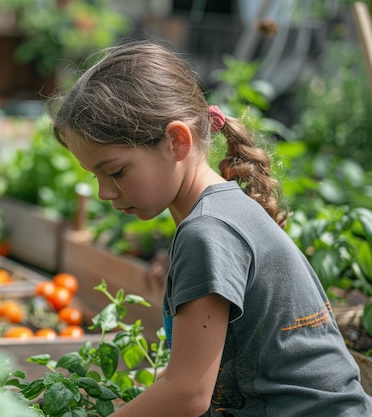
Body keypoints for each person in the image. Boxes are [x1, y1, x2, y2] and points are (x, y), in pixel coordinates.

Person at [47, 39, 372, 416]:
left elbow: (187, 395)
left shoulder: (208, 231)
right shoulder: (222, 212)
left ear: (176, 141)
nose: (104, 192)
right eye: (95, 175)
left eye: (116, 171)